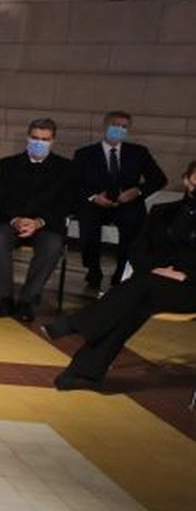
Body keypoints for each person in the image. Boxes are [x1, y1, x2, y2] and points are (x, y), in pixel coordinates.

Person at [46, 160, 196, 390]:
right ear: (187, 179)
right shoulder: (161, 211)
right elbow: (137, 250)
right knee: (132, 304)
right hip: (153, 283)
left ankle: (75, 325)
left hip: (190, 288)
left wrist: (185, 276)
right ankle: (82, 371)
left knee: (136, 291)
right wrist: (155, 270)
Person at [0, 118, 77, 322]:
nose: (39, 142)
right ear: (27, 138)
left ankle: (26, 300)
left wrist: (38, 222)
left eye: (44, 139)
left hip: (46, 225)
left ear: (53, 141)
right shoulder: (7, 165)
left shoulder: (66, 168)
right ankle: (6, 298)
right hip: (11, 221)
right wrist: (17, 220)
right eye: (35, 138)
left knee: (53, 245)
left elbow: (66, 204)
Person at [72, 111, 166, 291]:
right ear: (105, 125)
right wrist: (93, 197)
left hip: (127, 204)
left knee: (134, 223)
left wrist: (137, 191)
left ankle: (121, 271)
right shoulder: (85, 154)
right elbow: (75, 183)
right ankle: (93, 271)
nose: (119, 129)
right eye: (116, 125)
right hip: (96, 204)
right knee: (88, 221)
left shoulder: (138, 152)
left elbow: (159, 179)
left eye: (124, 127)